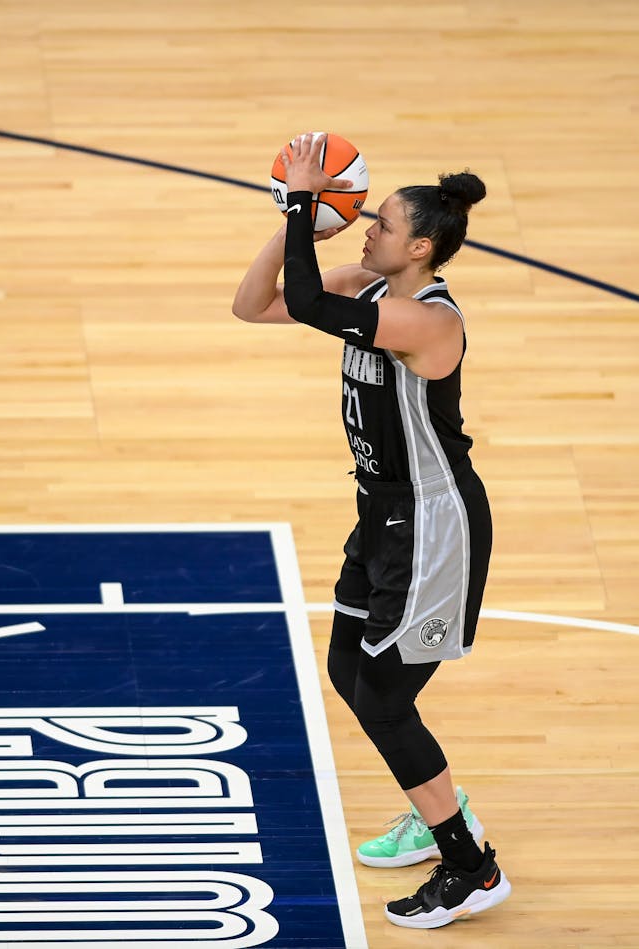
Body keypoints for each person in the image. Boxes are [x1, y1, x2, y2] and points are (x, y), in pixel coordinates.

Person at [231, 132, 509, 930]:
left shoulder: (426, 321)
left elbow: (312, 304)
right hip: (381, 516)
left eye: (380, 223)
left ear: (421, 246)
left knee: (385, 702)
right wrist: (295, 225)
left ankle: (469, 863)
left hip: (432, 522)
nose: (366, 229)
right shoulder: (373, 285)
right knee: (349, 670)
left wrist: (300, 207)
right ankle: (439, 808)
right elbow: (255, 304)